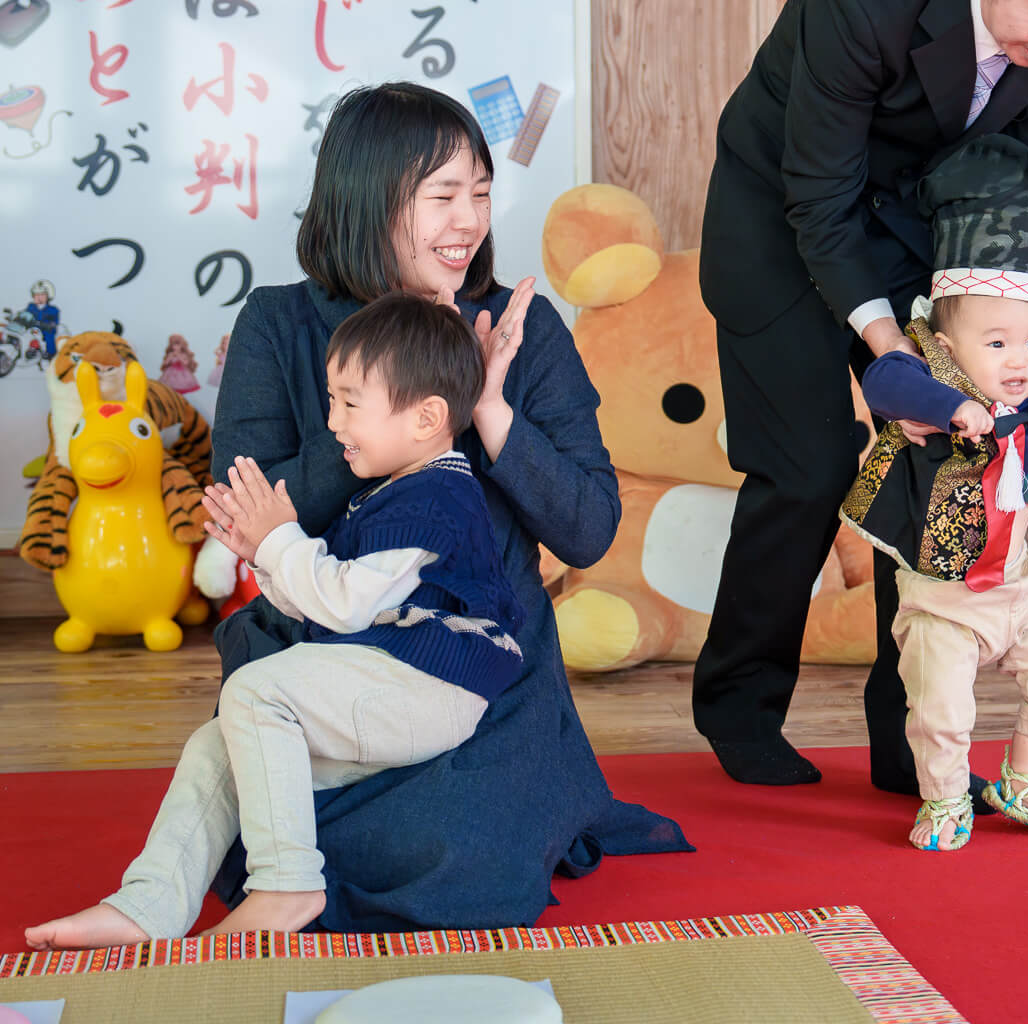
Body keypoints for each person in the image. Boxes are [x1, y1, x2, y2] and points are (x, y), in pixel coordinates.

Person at [55, 83, 687, 939]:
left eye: (480, 192)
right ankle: (172, 900)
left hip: (477, 661)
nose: (467, 220)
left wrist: (486, 409)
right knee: (277, 815)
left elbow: (589, 527)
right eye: (441, 196)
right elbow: (251, 509)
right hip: (318, 643)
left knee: (452, 863)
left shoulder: (520, 331)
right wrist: (395, 391)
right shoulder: (280, 323)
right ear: (367, 199)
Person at [695, 0, 1028, 796]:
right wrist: (888, 346)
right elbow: (818, 198)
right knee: (810, 466)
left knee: (942, 459)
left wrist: (1001, 333)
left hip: (926, 233)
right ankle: (738, 706)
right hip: (782, 220)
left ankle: (908, 732)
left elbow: (1010, 180)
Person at [26, 293, 531, 946]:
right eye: (331, 399)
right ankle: (147, 906)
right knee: (221, 744)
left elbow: (344, 603)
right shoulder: (400, 487)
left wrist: (279, 540)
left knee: (257, 690)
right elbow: (333, 600)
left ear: (427, 417)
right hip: (389, 677)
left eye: (351, 402)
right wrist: (262, 553)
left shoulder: (436, 499)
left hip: (426, 689)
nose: (333, 420)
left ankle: (286, 884)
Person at [841, 137, 1028, 850]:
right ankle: (942, 801)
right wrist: (950, 409)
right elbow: (885, 382)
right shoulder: (926, 368)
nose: (1021, 360)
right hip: (945, 592)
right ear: (945, 342)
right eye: (995, 345)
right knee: (941, 712)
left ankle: (1025, 779)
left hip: (1021, 580)